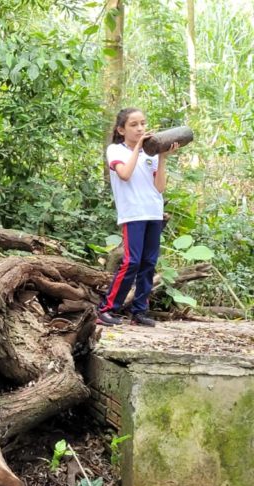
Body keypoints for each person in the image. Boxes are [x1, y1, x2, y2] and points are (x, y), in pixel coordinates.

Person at [95, 108, 179, 327]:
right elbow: (124, 174)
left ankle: (139, 312)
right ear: (121, 129)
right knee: (131, 262)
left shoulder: (149, 154)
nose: (140, 128)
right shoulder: (115, 150)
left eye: (143, 123)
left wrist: (161, 157)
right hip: (133, 213)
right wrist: (139, 148)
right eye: (134, 125)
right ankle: (106, 308)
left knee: (149, 263)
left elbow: (159, 188)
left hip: (154, 212)